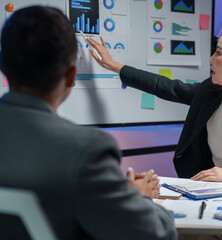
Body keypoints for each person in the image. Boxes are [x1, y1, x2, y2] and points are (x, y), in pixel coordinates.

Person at [0, 6, 176, 240]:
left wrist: (110, 189)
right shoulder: (84, 152)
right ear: (72, 76)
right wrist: (137, 198)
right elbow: (158, 234)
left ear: (3, 67)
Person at [87, 25, 222, 185]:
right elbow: (165, 86)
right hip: (207, 192)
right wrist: (116, 66)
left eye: (218, 53)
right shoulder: (208, 93)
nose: (211, 59)